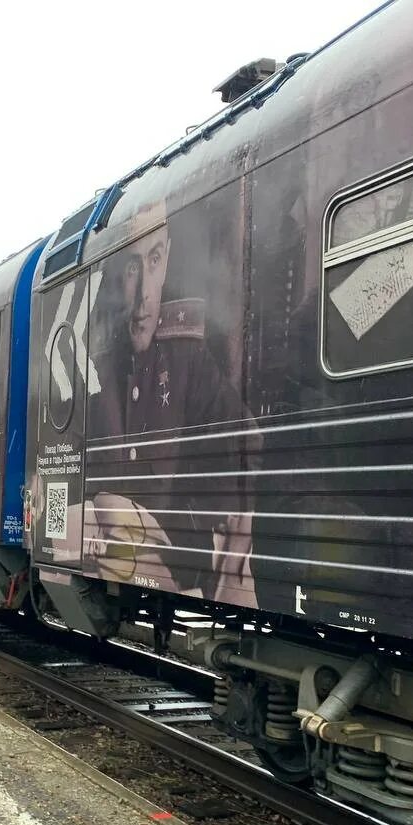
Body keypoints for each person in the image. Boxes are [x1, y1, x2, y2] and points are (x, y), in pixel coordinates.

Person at [85, 201, 261, 606]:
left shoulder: (187, 360)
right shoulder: (87, 368)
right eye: (132, 268)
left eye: (155, 260)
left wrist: (188, 530)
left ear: (167, 261)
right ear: (113, 277)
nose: (145, 296)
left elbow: (246, 445)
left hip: (180, 564)